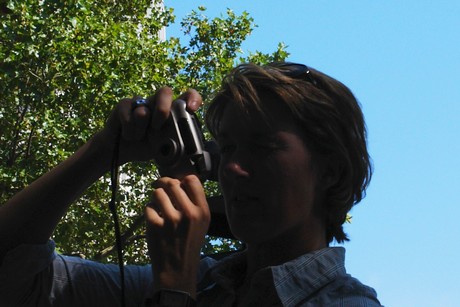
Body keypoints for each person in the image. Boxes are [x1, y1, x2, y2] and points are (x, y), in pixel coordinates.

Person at [0, 62, 382, 306]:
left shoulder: (347, 303)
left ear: (330, 169)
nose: (232, 168)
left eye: (264, 146)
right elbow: (19, 279)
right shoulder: (207, 279)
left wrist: (175, 290)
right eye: (227, 147)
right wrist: (102, 151)